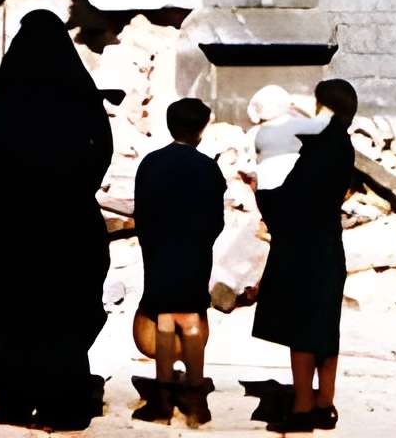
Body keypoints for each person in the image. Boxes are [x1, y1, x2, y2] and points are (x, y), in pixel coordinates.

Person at [0, 8, 113, 429]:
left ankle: (15, 399)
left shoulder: (7, 109)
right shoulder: (82, 101)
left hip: (19, 234)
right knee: (66, 315)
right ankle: (64, 404)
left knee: (20, 320)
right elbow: (101, 156)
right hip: (72, 227)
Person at [250, 78, 356, 432]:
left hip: (301, 245)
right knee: (326, 326)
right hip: (328, 242)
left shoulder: (318, 146)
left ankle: (302, 407)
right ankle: (325, 402)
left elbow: (293, 195)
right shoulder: (343, 144)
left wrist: (263, 198)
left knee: (302, 329)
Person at [130, 98, 227, 425]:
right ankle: (196, 398)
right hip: (195, 251)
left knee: (164, 319)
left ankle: (162, 398)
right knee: (192, 317)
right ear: (201, 130)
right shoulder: (208, 167)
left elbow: (140, 212)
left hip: (160, 251)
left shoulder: (151, 163)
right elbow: (217, 220)